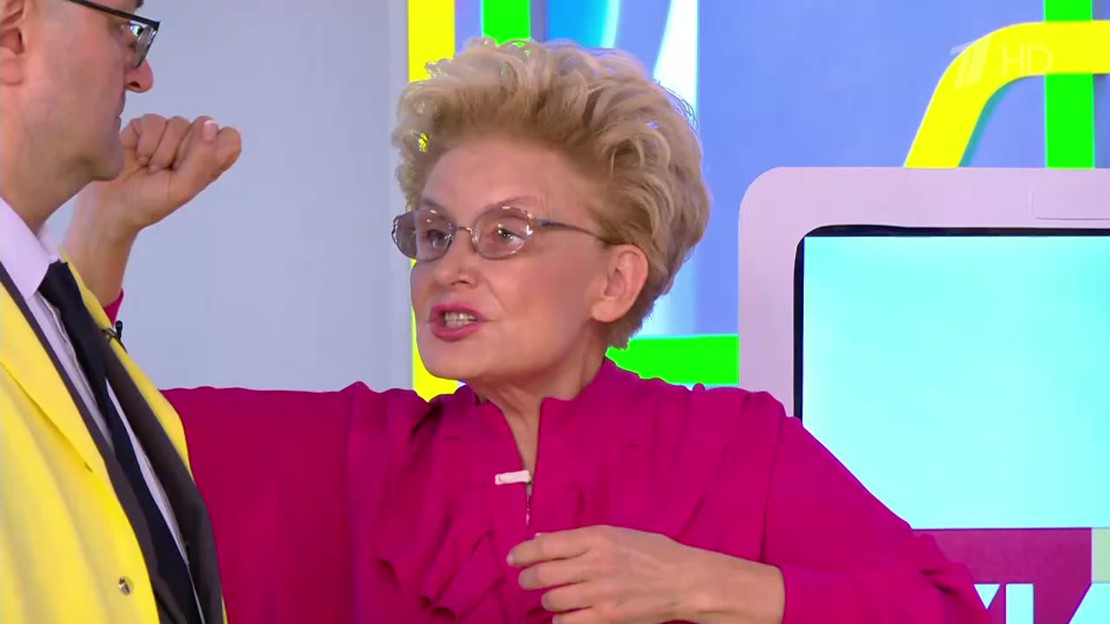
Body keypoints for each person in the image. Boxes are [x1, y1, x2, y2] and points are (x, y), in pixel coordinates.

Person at [66, 37, 990, 623]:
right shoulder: (354, 455)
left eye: (505, 233)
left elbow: (948, 612)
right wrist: (104, 229)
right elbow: (75, 438)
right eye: (435, 234)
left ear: (614, 279)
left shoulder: (734, 449)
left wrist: (708, 586)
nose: (451, 267)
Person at [0, 0, 241, 622]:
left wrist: (106, 230)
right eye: (121, 27)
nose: (142, 77)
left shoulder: (55, 301)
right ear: (11, 36)